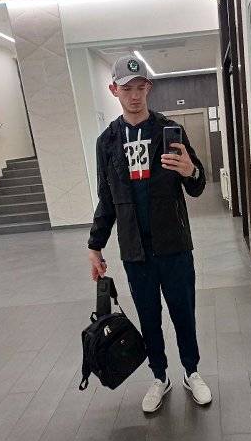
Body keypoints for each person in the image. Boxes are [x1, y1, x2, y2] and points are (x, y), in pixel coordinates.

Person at [88, 54, 212, 413]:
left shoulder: (169, 130)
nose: (134, 95)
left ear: (148, 88)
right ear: (114, 90)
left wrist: (190, 170)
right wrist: (95, 245)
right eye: (126, 88)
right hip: (135, 250)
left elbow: (198, 185)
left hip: (174, 244)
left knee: (183, 313)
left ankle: (191, 371)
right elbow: (107, 199)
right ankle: (160, 376)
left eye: (140, 87)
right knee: (148, 317)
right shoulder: (107, 142)